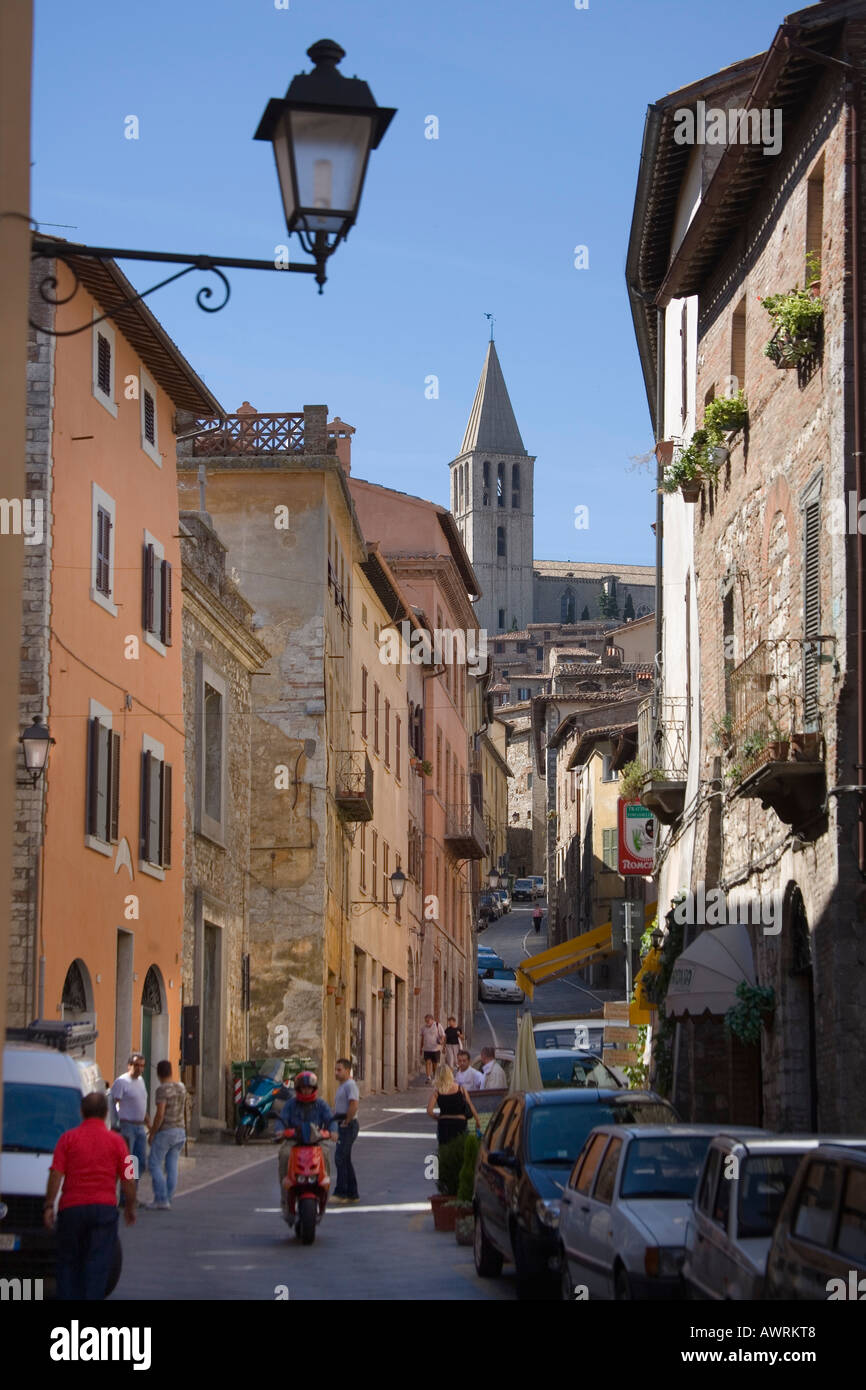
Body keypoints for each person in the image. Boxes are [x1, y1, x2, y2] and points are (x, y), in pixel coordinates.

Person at [43, 1090, 136, 1300]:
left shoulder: (67, 1139)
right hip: (103, 1210)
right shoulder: (118, 1142)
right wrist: (130, 1206)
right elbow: (129, 1178)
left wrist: (49, 1205)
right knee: (98, 1264)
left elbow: (55, 1174)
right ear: (105, 1114)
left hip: (71, 1210)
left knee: (67, 1263)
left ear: (81, 1112)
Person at [277, 1071, 338, 1217]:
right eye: (303, 1088)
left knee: (325, 1153)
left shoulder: (321, 1104)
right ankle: (285, 1194)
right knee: (284, 1154)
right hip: (295, 1141)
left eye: (309, 1088)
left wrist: (333, 1131)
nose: (306, 1090)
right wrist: (280, 1131)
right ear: (298, 1088)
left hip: (316, 1141)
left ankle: (324, 1187)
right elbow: (282, 1119)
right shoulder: (291, 1104)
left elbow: (330, 1119)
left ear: (314, 1088)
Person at [146, 1060, 186, 1210]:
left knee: (154, 1164)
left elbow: (160, 1113)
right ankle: (168, 1197)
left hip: (166, 1131)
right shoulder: (181, 1088)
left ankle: (161, 1199)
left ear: (158, 1074)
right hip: (180, 1131)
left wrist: (152, 1132)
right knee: (172, 1166)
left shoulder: (162, 1090)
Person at [109, 1053, 149, 1196]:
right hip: (127, 1127)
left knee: (141, 1163)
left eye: (142, 1066)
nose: (140, 1069)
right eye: (137, 1065)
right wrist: (115, 1124)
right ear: (129, 1065)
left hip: (140, 1127)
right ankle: (126, 1198)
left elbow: (141, 1104)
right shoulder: (122, 1082)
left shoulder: (141, 1081)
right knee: (128, 1164)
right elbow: (114, 1104)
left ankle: (133, 1195)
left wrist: (149, 1124)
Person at [426, 1064, 480, 1146]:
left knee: (445, 1150)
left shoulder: (437, 1092)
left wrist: (438, 1118)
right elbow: (470, 1105)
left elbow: (429, 1111)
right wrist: (477, 1120)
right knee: (460, 1150)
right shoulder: (461, 1089)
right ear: (450, 1075)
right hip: (460, 1122)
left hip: (444, 1124)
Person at [332, 1058, 360, 1204]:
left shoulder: (350, 1085)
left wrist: (346, 1121)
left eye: (339, 1070)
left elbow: (354, 1104)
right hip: (342, 1123)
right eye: (335, 1069)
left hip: (348, 1125)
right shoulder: (342, 1086)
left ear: (347, 1071)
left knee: (340, 1157)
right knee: (345, 1159)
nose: (336, 1073)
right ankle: (352, 1193)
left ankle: (341, 1192)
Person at [420, 1014, 445, 1084]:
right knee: (427, 1062)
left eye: (428, 1020)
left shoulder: (437, 1025)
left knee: (435, 1064)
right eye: (426, 1021)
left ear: (432, 1020)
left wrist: (442, 1041)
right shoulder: (423, 1028)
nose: (427, 1022)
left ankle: (435, 1076)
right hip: (426, 1049)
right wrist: (421, 1048)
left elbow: (443, 1035)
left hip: (435, 1049)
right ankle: (428, 1077)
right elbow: (422, 1038)